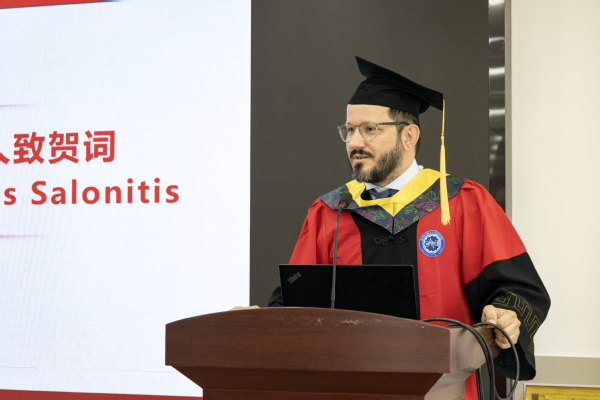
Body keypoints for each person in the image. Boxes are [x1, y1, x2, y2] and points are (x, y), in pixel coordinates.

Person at [267, 57, 550, 399]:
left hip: (446, 387)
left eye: (369, 129)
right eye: (349, 130)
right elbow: (293, 303)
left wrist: (506, 315)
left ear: (409, 136)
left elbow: (519, 290)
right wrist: (260, 324)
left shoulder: (462, 203)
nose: (354, 142)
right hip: (353, 389)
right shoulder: (330, 212)